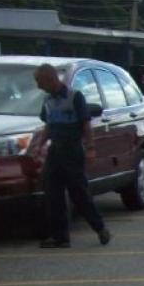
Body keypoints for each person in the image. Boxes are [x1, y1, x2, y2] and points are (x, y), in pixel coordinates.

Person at [34, 63, 111, 249]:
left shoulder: (75, 96)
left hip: (72, 150)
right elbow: (48, 126)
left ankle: (100, 228)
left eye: (40, 82)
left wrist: (91, 148)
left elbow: (86, 124)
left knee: (79, 193)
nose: (38, 86)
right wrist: (40, 145)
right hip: (55, 151)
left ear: (50, 79)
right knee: (53, 194)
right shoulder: (47, 100)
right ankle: (60, 238)